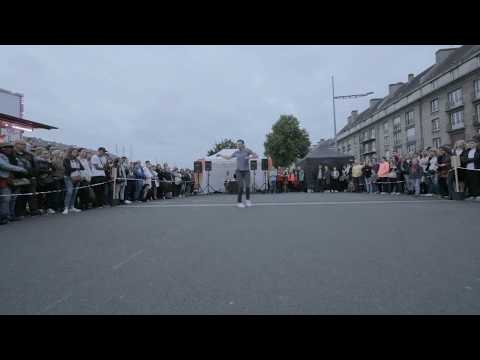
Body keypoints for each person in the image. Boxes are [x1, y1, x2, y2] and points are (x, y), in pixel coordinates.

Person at [217, 139, 257, 208]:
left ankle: (248, 201)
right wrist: (221, 155)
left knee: (247, 186)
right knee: (241, 186)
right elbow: (228, 158)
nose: (238, 145)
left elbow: (256, 156)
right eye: (237, 144)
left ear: (243, 144)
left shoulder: (247, 150)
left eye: (240, 144)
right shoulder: (236, 152)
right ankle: (239, 202)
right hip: (238, 172)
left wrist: (249, 157)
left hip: (246, 171)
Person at [0, 143, 28, 225]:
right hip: (4, 179)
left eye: (10, 147)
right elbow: (3, 165)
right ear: (2, 148)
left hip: (14, 179)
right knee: (6, 198)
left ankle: (11, 215)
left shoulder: (14, 157)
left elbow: (21, 164)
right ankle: (3, 216)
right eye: (6, 147)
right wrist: (20, 169)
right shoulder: (1, 156)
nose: (8, 149)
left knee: (13, 198)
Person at [13, 139, 42, 217]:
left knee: (32, 195)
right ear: (16, 144)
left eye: (24, 145)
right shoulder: (13, 154)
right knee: (20, 196)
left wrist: (33, 175)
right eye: (22, 144)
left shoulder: (29, 155)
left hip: (30, 177)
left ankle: (33, 210)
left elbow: (35, 166)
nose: (24, 146)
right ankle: (19, 212)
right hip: (18, 178)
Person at [62, 148, 84, 215]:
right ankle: (66, 208)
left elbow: (82, 168)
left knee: (75, 192)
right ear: (70, 152)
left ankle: (72, 207)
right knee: (69, 192)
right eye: (74, 152)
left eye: (76, 152)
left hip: (77, 178)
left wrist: (75, 168)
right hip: (68, 177)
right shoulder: (66, 159)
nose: (75, 153)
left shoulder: (77, 160)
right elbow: (68, 168)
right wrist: (77, 168)